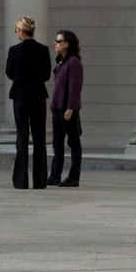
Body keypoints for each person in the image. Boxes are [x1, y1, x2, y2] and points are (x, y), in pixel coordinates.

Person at [4, 16, 51, 190]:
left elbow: (9, 72)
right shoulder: (43, 49)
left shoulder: (14, 50)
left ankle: (20, 180)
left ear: (22, 31)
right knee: (39, 139)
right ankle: (40, 180)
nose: (16, 33)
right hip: (38, 96)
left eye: (16, 30)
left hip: (20, 96)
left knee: (22, 137)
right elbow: (46, 75)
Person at [48, 29, 84, 187]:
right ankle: (55, 175)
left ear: (67, 44)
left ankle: (74, 177)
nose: (55, 44)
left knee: (74, 143)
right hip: (57, 108)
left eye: (59, 41)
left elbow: (75, 87)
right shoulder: (61, 62)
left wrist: (71, 108)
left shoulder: (74, 62)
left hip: (68, 109)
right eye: (55, 41)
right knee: (57, 144)